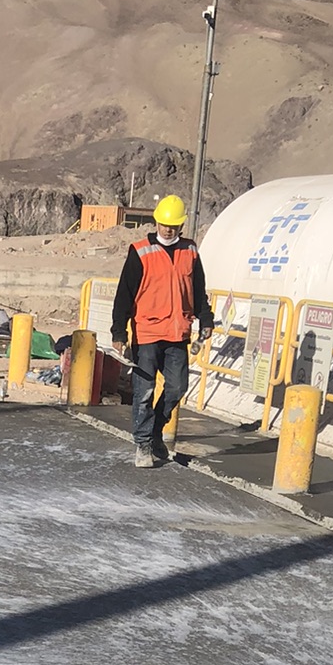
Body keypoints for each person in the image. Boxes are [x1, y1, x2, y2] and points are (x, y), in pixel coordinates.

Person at [110, 195, 213, 469]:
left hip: (177, 333)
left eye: (174, 225)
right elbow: (124, 295)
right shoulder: (140, 251)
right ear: (157, 222)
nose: (168, 229)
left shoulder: (190, 251)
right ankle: (143, 444)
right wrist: (119, 332)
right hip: (147, 333)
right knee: (143, 391)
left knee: (178, 387)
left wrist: (206, 319)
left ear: (181, 225)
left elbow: (198, 291)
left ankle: (155, 431)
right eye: (165, 224)